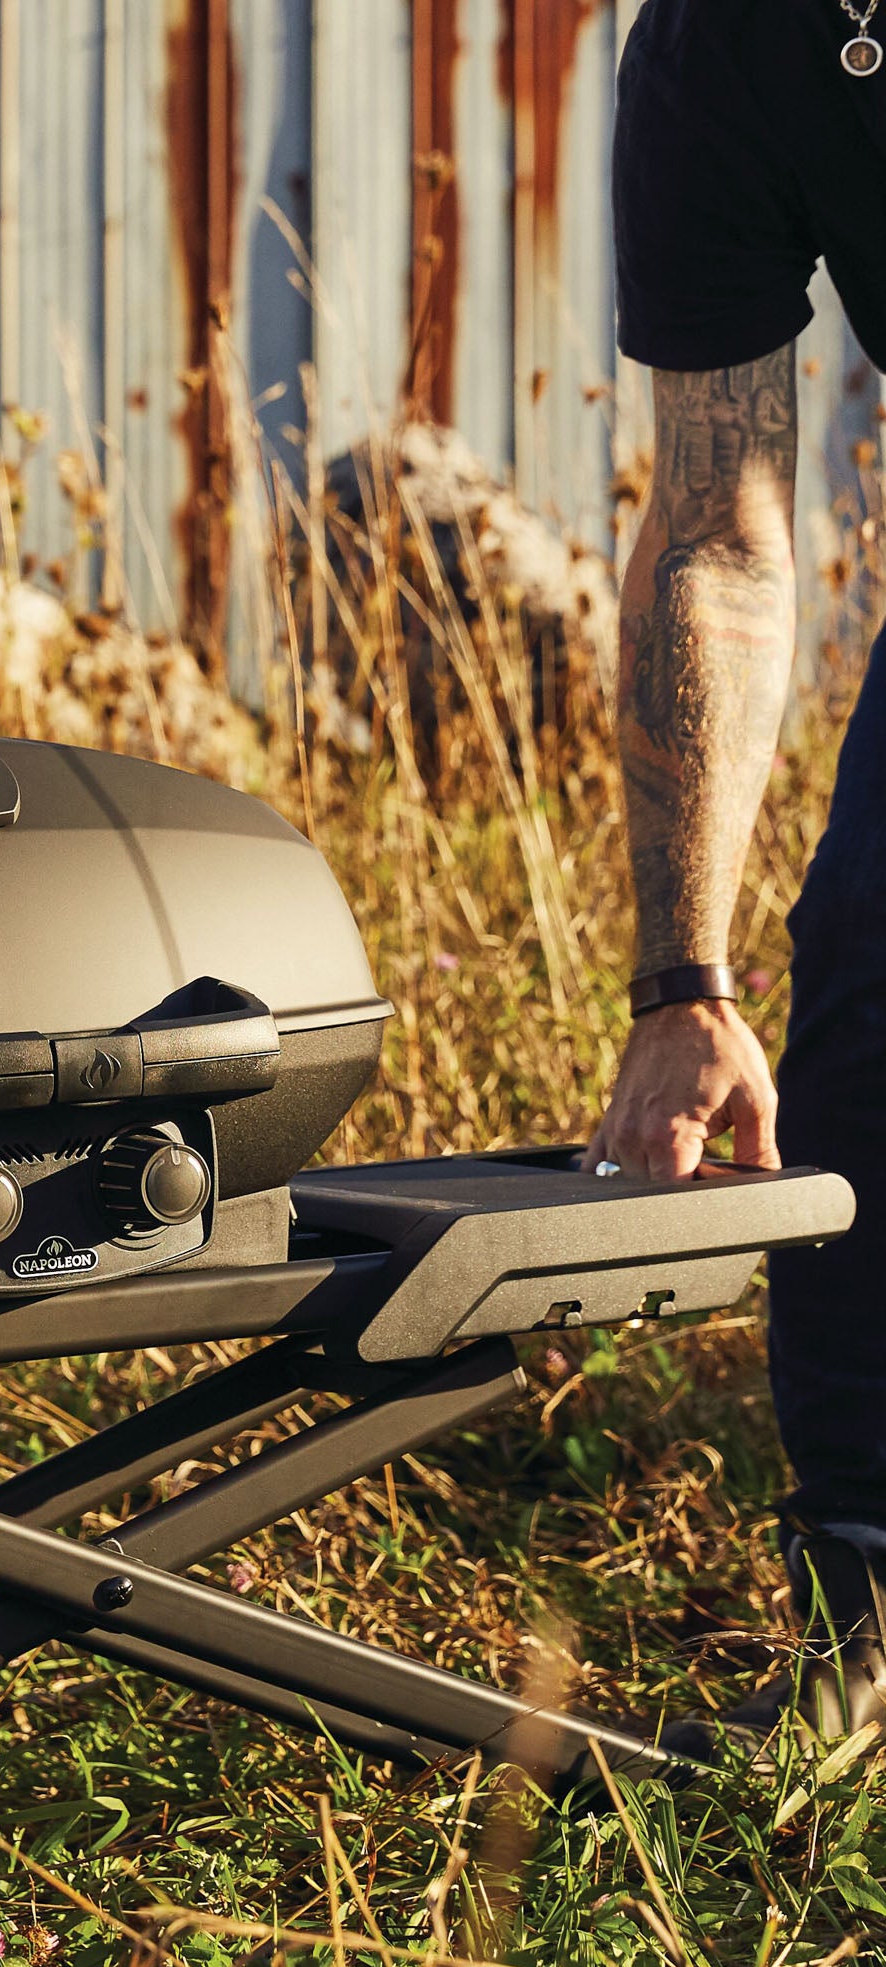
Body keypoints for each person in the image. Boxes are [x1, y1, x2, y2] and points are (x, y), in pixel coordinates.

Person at [590, 0, 886, 1740]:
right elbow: (721, 525)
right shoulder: (720, 45)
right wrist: (681, 980)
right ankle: (864, 1614)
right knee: (863, 982)